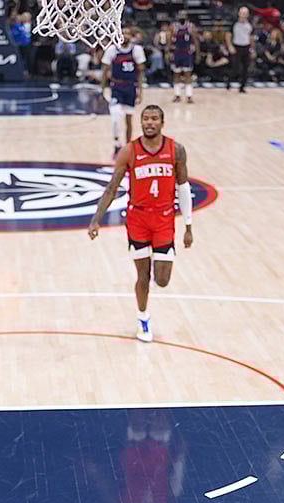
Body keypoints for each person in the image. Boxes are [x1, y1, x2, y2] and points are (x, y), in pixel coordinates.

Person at [87, 105, 193, 342]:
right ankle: (143, 318)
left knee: (162, 280)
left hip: (164, 218)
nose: (149, 123)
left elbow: (183, 188)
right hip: (138, 219)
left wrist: (188, 226)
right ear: (141, 122)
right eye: (145, 119)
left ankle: (158, 264)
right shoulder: (129, 151)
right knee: (142, 275)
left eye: (154, 119)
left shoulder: (176, 150)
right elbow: (112, 188)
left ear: (162, 122)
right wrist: (96, 220)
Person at [102, 27, 145, 157]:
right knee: (115, 117)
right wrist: (102, 88)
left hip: (131, 87)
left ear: (131, 36)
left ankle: (128, 146)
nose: (125, 36)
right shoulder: (112, 50)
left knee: (128, 120)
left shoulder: (137, 50)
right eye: (122, 33)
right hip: (116, 87)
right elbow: (105, 70)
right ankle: (116, 144)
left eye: (127, 33)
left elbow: (140, 72)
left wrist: (140, 91)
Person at [170, 11, 198, 103]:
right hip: (177, 53)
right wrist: (167, 52)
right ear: (177, 17)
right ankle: (177, 95)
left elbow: (195, 40)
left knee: (188, 75)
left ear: (186, 17)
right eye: (180, 15)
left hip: (187, 53)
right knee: (176, 74)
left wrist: (197, 53)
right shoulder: (173, 27)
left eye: (183, 15)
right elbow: (169, 41)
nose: (182, 17)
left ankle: (189, 96)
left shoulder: (191, 26)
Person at [230, 6, 253, 93]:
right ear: (239, 14)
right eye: (242, 13)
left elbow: (251, 37)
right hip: (236, 47)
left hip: (246, 47)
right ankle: (229, 80)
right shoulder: (234, 23)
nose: (244, 15)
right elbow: (228, 35)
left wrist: (252, 48)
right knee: (235, 68)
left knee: (245, 68)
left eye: (245, 13)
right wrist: (230, 46)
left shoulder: (249, 24)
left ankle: (242, 86)